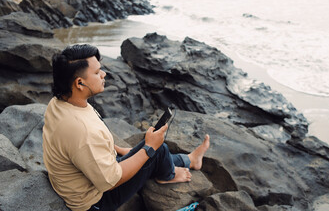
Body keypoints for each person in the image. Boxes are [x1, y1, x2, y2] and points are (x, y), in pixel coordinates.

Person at [42, 44, 210, 211]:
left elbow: (84, 149)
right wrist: (149, 148)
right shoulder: (83, 131)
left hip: (86, 176)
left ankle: (189, 160)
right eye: (96, 72)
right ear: (80, 83)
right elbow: (110, 182)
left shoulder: (58, 103)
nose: (103, 74)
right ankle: (168, 175)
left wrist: (118, 149)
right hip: (96, 201)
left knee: (149, 150)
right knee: (157, 150)